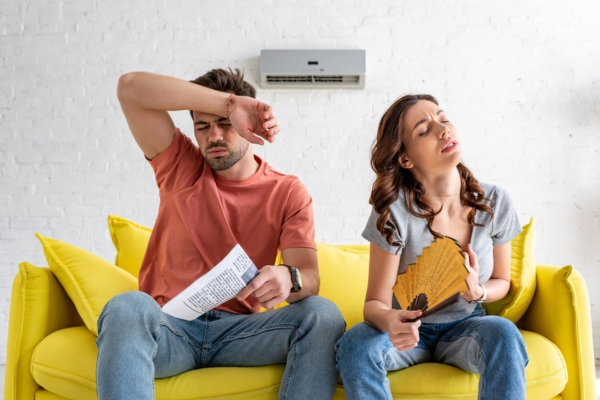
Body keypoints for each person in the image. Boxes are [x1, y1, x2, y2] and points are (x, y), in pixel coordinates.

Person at [95, 69, 345, 400]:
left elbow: (309, 277)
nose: (213, 136)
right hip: (171, 329)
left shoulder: (287, 191)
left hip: (240, 334)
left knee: (324, 315)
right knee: (126, 306)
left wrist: (289, 277)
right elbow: (129, 88)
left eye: (225, 124)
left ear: (249, 126)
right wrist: (228, 106)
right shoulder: (180, 165)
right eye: (202, 126)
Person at [335, 94, 529, 399]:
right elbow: (373, 304)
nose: (443, 130)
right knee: (356, 342)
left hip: (466, 329)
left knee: (503, 333)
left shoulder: (495, 203)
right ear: (405, 159)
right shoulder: (393, 212)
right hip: (406, 332)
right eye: (424, 130)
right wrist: (391, 321)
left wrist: (478, 292)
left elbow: (502, 281)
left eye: (443, 118)